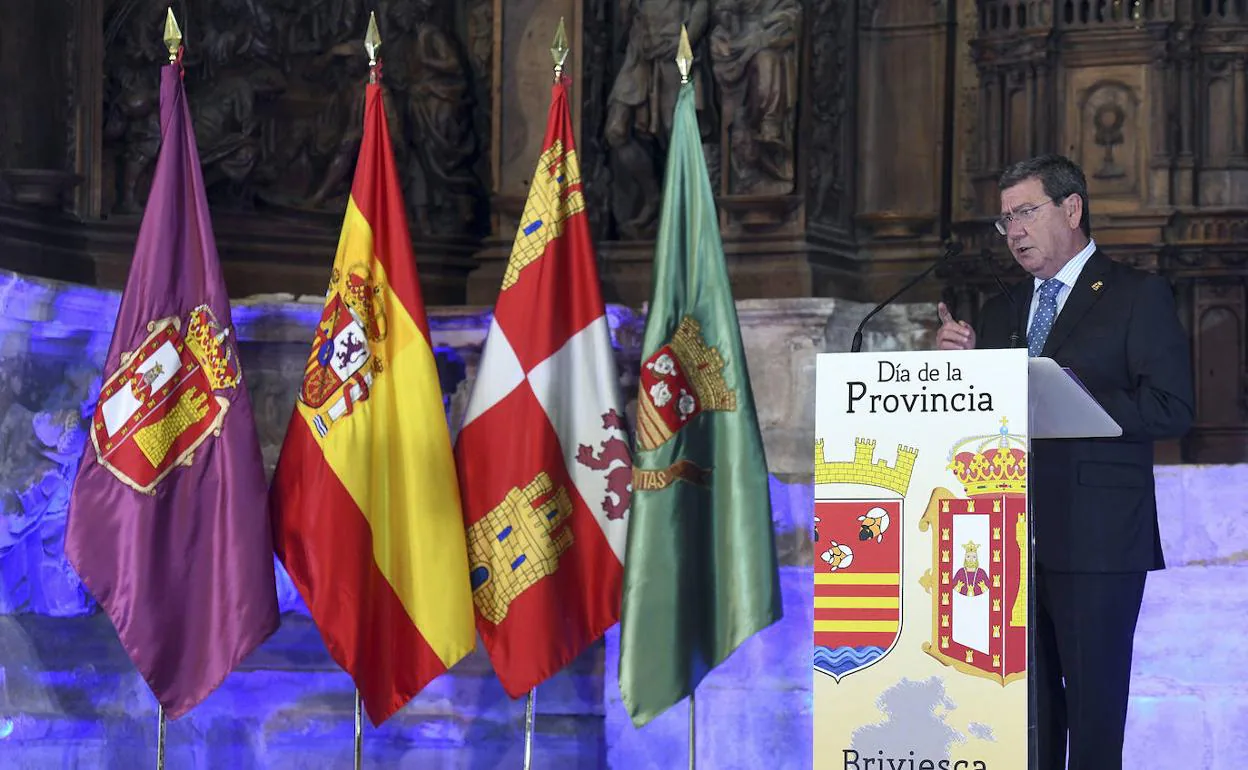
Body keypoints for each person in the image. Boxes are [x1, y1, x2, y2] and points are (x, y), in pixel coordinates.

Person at [936, 154, 1194, 770]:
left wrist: (1068, 396)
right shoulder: (999, 312)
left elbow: (1171, 408)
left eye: (1025, 212)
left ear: (1071, 208)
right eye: (1004, 221)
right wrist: (959, 368)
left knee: (1094, 719)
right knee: (1026, 723)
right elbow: (982, 421)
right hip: (1005, 545)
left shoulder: (1136, 294)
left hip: (1098, 540)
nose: (1014, 231)